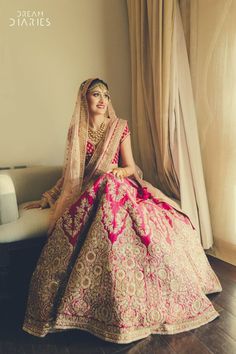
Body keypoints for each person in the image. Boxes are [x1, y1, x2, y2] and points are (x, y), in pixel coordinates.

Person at [23, 78, 222, 344]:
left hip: (119, 185)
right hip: (92, 192)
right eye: (96, 94)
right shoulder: (76, 133)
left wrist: (118, 171)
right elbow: (70, 175)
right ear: (84, 99)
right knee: (100, 187)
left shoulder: (119, 128)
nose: (103, 99)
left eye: (106, 94)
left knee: (113, 185)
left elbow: (131, 167)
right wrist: (48, 197)